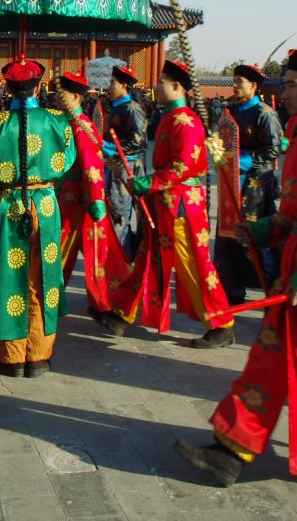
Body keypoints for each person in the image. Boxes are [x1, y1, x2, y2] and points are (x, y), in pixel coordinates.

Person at [175, 50, 297, 486]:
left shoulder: (270, 120)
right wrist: (263, 230)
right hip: (289, 263)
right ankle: (231, 448)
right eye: (282, 84)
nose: (281, 93)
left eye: (290, 85)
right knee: (267, 359)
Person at [110, 60, 235, 347]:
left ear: (177, 87)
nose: (156, 87)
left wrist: (149, 182)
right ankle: (121, 314)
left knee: (193, 262)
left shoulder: (185, 121)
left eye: (161, 82)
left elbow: (183, 167)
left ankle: (221, 322)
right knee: (148, 256)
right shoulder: (168, 116)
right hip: (166, 201)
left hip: (182, 206)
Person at [0, 54, 76, 377]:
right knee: (41, 278)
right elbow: (68, 161)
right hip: (44, 204)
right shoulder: (58, 121)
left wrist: (7, 190)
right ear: (40, 85)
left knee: (7, 278)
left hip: (6, 205)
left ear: (6, 87)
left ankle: (11, 357)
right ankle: (39, 357)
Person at [56, 71, 131, 334]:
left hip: (80, 199)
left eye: (61, 92)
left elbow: (91, 167)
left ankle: (106, 306)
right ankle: (51, 299)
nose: (56, 97)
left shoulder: (81, 125)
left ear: (75, 96)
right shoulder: (65, 122)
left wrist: (97, 199)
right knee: (63, 251)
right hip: (66, 195)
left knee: (95, 256)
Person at [214, 63, 283, 305]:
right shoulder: (233, 110)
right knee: (226, 236)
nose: (234, 85)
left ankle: (270, 286)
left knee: (249, 237)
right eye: (234, 80)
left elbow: (274, 148)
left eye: (239, 81)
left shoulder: (264, 113)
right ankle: (231, 288)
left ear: (253, 86)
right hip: (230, 182)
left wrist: (242, 160)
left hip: (253, 186)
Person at [102, 65, 147, 260]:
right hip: (114, 166)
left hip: (126, 167)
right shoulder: (116, 107)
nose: (109, 86)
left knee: (121, 214)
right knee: (115, 212)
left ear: (124, 86)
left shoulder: (131, 108)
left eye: (113, 83)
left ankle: (123, 258)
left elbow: (138, 141)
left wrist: (108, 147)